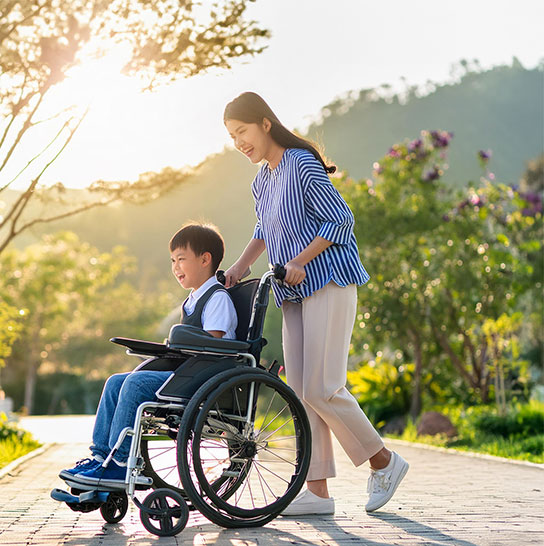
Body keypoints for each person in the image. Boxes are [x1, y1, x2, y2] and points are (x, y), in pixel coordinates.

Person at [222, 91, 408, 515]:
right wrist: (237, 268)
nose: (239, 143)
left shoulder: (301, 163)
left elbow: (340, 219)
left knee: (325, 387)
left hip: (329, 280)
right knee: (303, 392)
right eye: (233, 137)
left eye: (243, 132)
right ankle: (318, 492)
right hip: (293, 293)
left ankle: (384, 462)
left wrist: (300, 261)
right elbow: (263, 230)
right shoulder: (262, 179)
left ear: (265, 123)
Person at [59, 222, 238, 487]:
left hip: (205, 377)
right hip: (186, 372)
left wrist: (179, 341)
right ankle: (101, 458)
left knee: (135, 383)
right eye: (172, 261)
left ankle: (120, 463)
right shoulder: (193, 299)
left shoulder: (217, 298)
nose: (175, 267)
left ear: (204, 259)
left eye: (181, 259)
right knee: (115, 382)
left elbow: (214, 342)